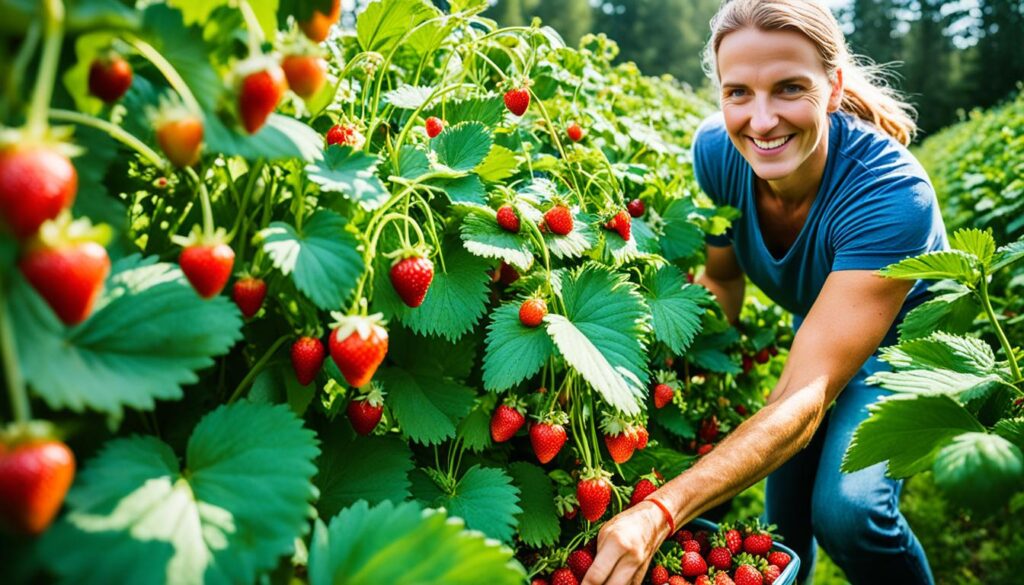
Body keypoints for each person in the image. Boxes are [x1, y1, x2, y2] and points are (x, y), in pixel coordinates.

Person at [581, 1, 946, 584]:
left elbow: (807, 393)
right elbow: (724, 280)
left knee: (849, 511)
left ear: (833, 88)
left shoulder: (892, 196)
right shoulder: (718, 155)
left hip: (905, 353)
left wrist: (661, 509)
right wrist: (673, 379)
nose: (762, 119)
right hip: (824, 326)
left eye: (789, 88)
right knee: (780, 529)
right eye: (738, 93)